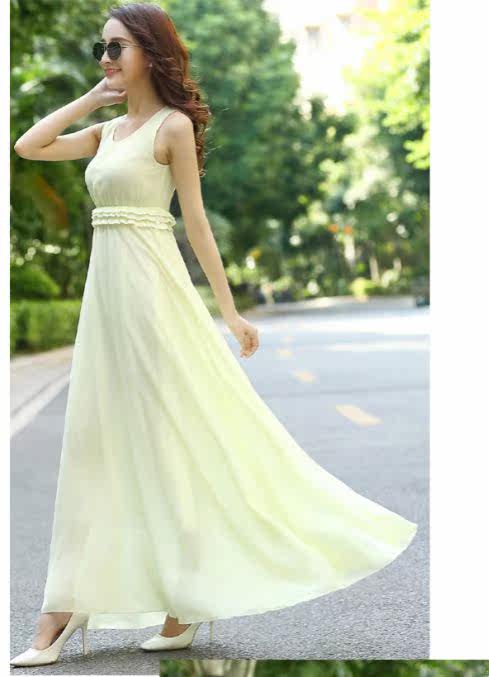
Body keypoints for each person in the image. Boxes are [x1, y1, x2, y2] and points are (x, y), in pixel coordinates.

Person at [10, 2, 418, 668]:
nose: (106, 58)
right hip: (104, 302)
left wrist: (231, 313)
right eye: (100, 48)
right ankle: (80, 600)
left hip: (152, 298)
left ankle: (174, 601)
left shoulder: (171, 127)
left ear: (151, 52)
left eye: (117, 47)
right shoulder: (107, 132)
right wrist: (92, 98)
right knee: (94, 439)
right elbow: (28, 145)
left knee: (167, 442)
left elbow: (196, 224)